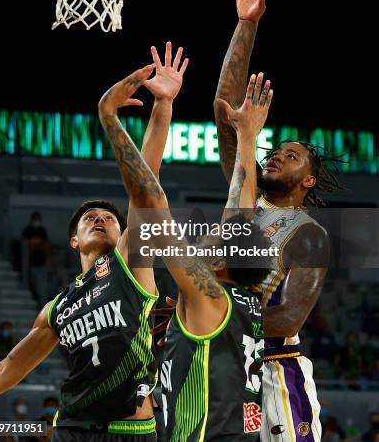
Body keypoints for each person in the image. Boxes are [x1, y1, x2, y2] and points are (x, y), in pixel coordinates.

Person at [0, 43, 188, 442]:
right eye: (90, 218)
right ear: (73, 241)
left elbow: (147, 181)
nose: (100, 219)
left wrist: (163, 107)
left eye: (109, 217)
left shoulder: (130, 265)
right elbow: (6, 371)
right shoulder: (58, 307)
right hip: (72, 428)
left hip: (133, 428)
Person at [104, 64, 273, 440]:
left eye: (215, 233)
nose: (206, 232)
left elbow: (148, 206)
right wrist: (247, 137)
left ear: (219, 261)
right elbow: (241, 210)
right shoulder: (242, 298)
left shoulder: (210, 296)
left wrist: (110, 118)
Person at [214, 0, 342, 441]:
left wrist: (211, 311)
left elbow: (289, 317)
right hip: (224, 358)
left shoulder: (309, 235)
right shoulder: (244, 192)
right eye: (274, 150)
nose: (274, 156)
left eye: (290, 157)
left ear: (307, 180)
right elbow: (227, 113)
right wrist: (246, 25)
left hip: (272, 371)